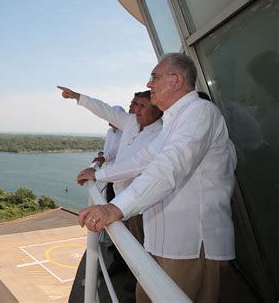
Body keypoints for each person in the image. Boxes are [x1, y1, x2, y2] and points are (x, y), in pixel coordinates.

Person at [76, 53, 237, 303]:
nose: (149, 84)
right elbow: (143, 159)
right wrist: (98, 174)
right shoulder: (174, 120)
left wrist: (116, 208)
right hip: (162, 243)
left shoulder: (200, 112)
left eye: (154, 76)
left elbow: (169, 166)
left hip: (191, 245)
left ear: (176, 80)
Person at [58, 87, 163, 275]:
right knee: (129, 241)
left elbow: (136, 164)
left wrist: (97, 174)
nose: (135, 109)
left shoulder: (160, 133)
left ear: (156, 110)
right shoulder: (131, 121)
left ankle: (142, 281)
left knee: (141, 244)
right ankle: (135, 278)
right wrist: (78, 97)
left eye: (142, 106)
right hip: (121, 196)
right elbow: (105, 110)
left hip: (140, 201)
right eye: (135, 104)